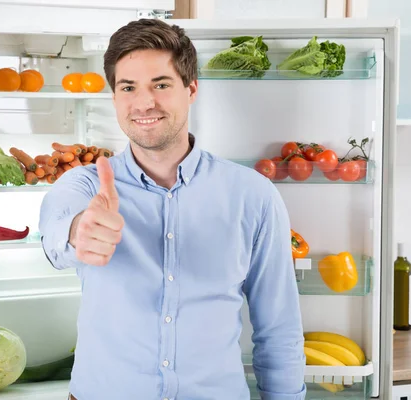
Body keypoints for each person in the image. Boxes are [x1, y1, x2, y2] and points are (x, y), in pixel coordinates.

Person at [39, 18, 306, 400]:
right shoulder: (85, 185)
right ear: (114, 96)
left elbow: (278, 328)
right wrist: (80, 231)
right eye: (128, 87)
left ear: (191, 88)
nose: (144, 102)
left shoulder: (253, 195)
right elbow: (54, 234)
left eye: (160, 85)